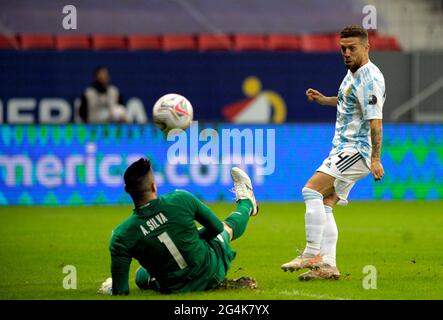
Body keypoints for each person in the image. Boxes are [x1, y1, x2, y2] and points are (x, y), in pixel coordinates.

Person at [281, 25, 386, 280]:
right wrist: (324, 100)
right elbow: (347, 101)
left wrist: (374, 158)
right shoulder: (352, 74)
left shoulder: (369, 79)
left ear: (366, 47)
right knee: (326, 204)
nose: (347, 53)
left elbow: (376, 121)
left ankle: (311, 252)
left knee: (311, 190)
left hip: (356, 149)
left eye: (352, 48)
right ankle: (328, 267)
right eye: (343, 49)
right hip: (344, 148)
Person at [98, 158, 259, 295]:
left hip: (174, 288)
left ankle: (113, 284)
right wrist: (194, 236)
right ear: (154, 186)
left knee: (141, 275)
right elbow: (216, 228)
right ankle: (247, 203)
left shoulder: (121, 236)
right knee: (226, 229)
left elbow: (121, 292)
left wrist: (113, 288)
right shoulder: (180, 199)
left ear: (126, 190)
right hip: (210, 270)